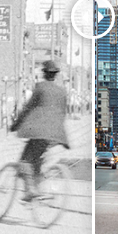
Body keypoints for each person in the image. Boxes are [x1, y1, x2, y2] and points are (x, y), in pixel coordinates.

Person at [10, 60, 70, 202]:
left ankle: (31, 191)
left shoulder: (40, 87)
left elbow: (27, 108)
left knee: (25, 160)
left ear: (44, 74)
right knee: (37, 161)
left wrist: (16, 124)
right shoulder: (62, 92)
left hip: (39, 132)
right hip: (55, 134)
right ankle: (38, 188)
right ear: (55, 75)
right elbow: (62, 113)